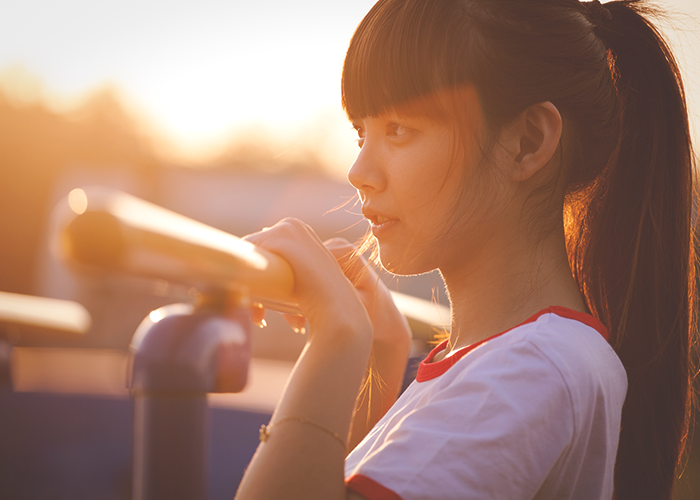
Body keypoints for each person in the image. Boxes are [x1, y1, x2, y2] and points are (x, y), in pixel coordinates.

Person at [235, 0, 696, 499]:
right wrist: (379, 353)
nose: (358, 172)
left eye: (399, 130)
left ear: (526, 141)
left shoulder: (530, 371)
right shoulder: (526, 360)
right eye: (361, 132)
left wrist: (336, 338)